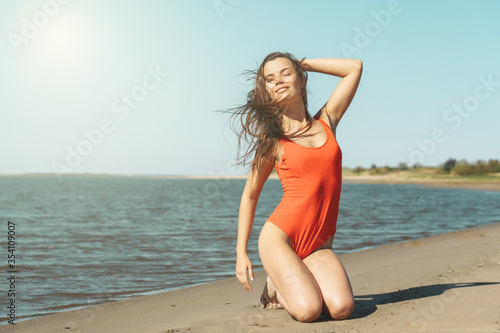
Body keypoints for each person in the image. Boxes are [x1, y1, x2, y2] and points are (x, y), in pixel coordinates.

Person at [230, 51, 362, 323]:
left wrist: (302, 64)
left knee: (341, 308)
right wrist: (241, 252)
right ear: (265, 90)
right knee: (308, 310)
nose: (278, 80)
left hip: (318, 244)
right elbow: (250, 195)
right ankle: (274, 288)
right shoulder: (273, 140)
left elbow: (354, 68)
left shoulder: (327, 120)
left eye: (285, 73)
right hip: (280, 238)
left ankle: (294, 273)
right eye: (269, 78)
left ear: (301, 80)